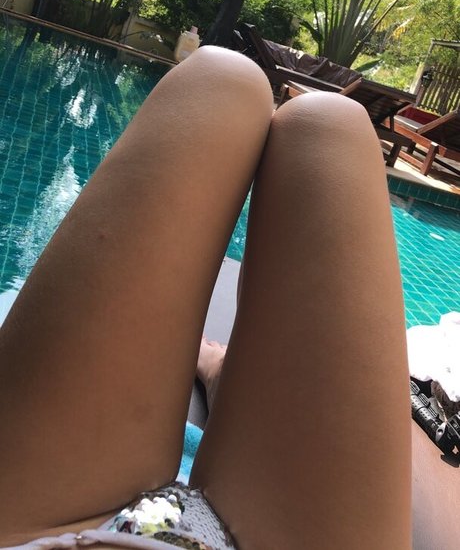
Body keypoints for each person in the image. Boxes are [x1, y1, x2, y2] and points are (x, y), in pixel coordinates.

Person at [0, 47, 412, 549]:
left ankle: (223, 375)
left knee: (224, 79)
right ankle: (226, 376)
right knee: (329, 123)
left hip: (37, 533)